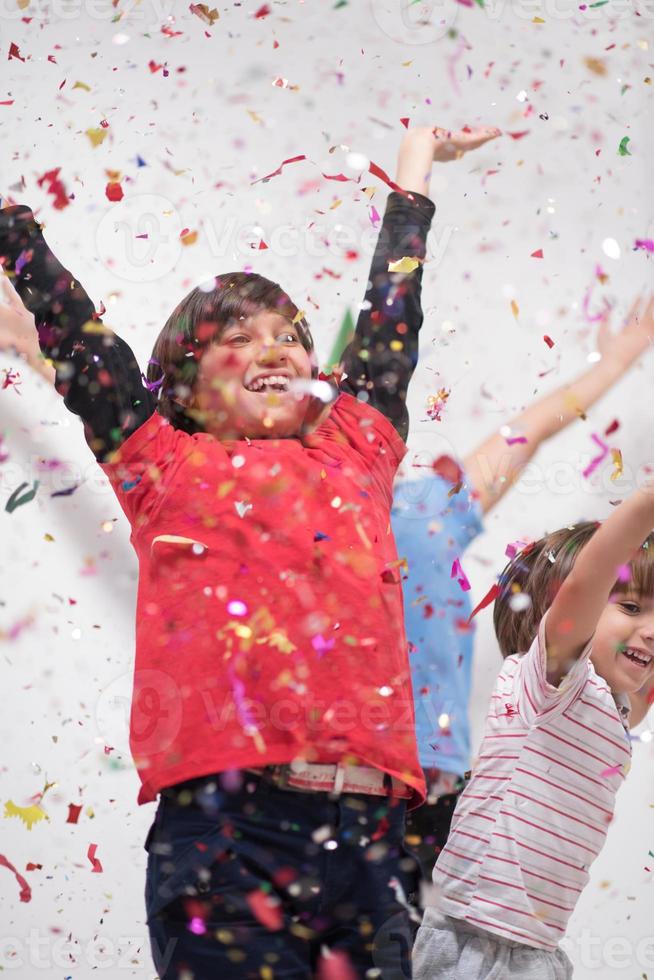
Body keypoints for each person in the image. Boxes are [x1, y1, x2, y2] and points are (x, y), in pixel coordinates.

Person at [0, 124, 499, 979]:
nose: (274, 347)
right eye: (238, 336)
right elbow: (88, 347)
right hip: (231, 842)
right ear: (185, 387)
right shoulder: (161, 461)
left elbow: (389, 318)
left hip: (374, 848)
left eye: (291, 335)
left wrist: (414, 169)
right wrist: (13, 229)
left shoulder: (358, 448)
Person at [393, 295, 654, 884]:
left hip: (424, 794)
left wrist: (615, 364)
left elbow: (526, 433)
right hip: (306, 783)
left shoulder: (418, 522)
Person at [412, 484, 654, 979]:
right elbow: (588, 582)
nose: (650, 629)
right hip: (477, 941)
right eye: (630, 609)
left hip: (538, 948)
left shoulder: (617, 709)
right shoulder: (551, 682)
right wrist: (646, 505)